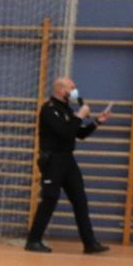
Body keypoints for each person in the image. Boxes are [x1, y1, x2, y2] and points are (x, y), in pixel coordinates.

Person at [26, 76, 112, 254]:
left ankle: (90, 243)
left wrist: (95, 123)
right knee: (49, 199)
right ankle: (33, 240)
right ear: (60, 90)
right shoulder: (49, 109)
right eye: (71, 88)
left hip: (67, 160)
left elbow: (78, 133)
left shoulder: (66, 109)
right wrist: (80, 115)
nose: (74, 91)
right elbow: (64, 133)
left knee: (80, 200)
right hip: (53, 160)